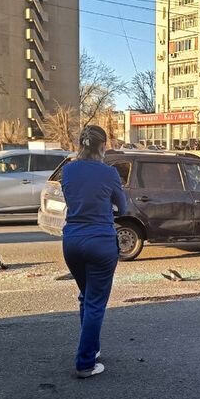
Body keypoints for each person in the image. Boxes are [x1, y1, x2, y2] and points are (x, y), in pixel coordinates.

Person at [60, 125, 127, 378]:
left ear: (81, 144)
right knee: (96, 302)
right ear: (102, 146)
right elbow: (123, 207)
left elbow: (71, 200)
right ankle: (86, 362)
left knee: (85, 296)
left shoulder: (67, 170)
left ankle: (92, 349)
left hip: (72, 241)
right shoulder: (108, 173)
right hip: (100, 241)